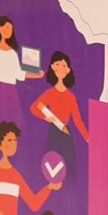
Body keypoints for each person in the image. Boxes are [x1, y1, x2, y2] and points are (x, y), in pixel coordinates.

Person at [29, 51, 89, 182]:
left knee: (69, 167)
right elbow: (34, 107)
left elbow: (78, 121)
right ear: (52, 67)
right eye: (58, 64)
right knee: (52, 165)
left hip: (66, 134)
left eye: (64, 65)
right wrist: (47, 118)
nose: (61, 68)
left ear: (68, 70)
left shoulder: (70, 97)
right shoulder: (50, 93)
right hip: (54, 132)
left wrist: (88, 139)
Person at [0, 15, 43, 120]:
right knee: (10, 120)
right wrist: (37, 75)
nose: (9, 31)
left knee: (9, 120)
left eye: (10, 29)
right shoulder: (4, 52)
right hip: (6, 91)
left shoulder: (9, 51)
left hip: (7, 90)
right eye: (6, 28)